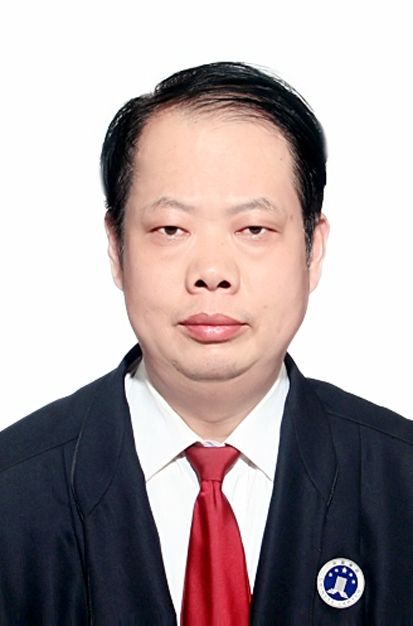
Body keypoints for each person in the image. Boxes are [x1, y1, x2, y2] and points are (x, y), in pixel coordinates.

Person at [1, 61, 412, 626]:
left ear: (313, 250)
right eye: (171, 229)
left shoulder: (401, 483)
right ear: (117, 249)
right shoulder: (12, 492)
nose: (212, 272)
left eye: (253, 229)